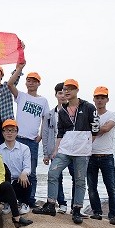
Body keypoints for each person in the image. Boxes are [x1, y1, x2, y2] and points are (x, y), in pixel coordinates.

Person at [33, 79, 100, 223]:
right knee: (52, 173)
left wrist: (87, 144)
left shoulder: (88, 107)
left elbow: (95, 128)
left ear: (77, 90)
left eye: (71, 88)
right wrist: (56, 150)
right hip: (65, 149)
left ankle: (76, 209)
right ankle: (51, 205)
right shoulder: (62, 109)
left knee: (80, 180)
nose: (67, 91)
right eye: (65, 89)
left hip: (82, 152)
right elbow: (60, 132)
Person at [8, 69, 50, 207]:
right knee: (14, 170)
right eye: (29, 80)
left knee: (31, 172)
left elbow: (46, 118)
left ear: (39, 83)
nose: (31, 83)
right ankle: (13, 198)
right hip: (17, 138)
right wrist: (19, 69)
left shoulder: (43, 100)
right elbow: (9, 84)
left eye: (34, 81)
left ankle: (29, 200)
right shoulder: (21, 96)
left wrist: (42, 136)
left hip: (32, 141)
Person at [87, 86, 115, 224]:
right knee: (91, 187)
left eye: (102, 98)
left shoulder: (112, 114)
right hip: (90, 155)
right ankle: (97, 212)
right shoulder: (89, 114)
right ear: (93, 99)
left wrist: (92, 129)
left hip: (106, 156)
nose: (100, 100)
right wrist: (96, 129)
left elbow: (106, 128)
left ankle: (113, 215)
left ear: (107, 99)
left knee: (111, 186)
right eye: (97, 97)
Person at [42, 82, 73, 213]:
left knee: (76, 177)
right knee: (56, 176)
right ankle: (61, 203)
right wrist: (46, 153)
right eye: (59, 93)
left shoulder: (74, 112)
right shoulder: (49, 114)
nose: (62, 95)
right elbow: (45, 133)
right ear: (55, 95)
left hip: (72, 150)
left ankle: (75, 207)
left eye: (65, 92)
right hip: (55, 151)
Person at [0, 119, 32, 216]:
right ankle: (7, 203)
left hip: (18, 180)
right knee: (3, 185)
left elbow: (27, 167)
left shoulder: (24, 148)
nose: (9, 133)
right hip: (5, 182)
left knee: (27, 179)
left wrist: (24, 173)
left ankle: (24, 203)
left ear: (17, 132)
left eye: (12, 130)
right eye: (7, 130)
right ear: (2, 132)